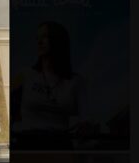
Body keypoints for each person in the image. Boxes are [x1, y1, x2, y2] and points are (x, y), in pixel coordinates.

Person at [11, 21, 93, 149]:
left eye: (45, 37)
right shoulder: (25, 75)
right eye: (38, 38)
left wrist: (84, 127)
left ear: (58, 40)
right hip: (28, 143)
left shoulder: (76, 81)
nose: (39, 42)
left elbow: (86, 119)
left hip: (60, 144)